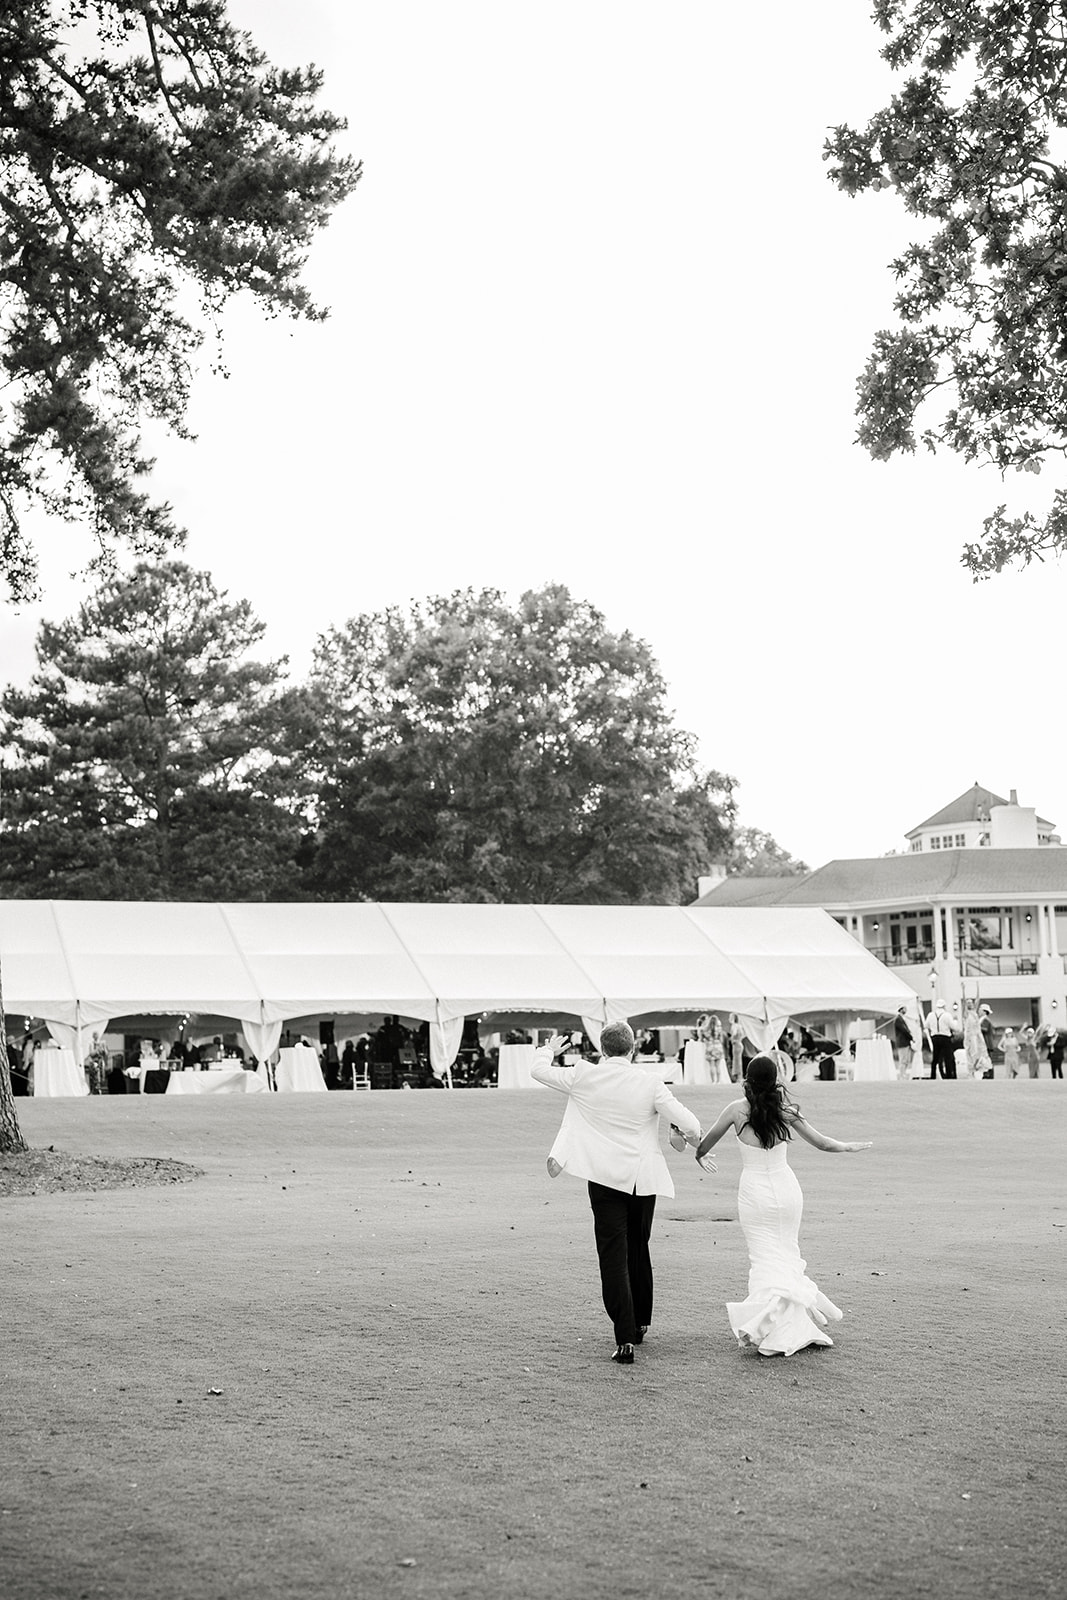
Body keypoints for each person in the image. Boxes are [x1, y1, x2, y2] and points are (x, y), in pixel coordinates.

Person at [532, 1020, 701, 1366]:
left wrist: (548, 1049)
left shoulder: (585, 1075)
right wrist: (677, 1130)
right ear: (633, 1048)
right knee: (638, 1247)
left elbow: (538, 1071)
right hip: (642, 1179)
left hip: (604, 1177)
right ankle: (639, 1322)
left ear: (602, 1049)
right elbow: (691, 1124)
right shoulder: (650, 1082)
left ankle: (625, 1337)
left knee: (613, 1256)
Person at [695, 1054, 872, 1357]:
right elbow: (823, 1143)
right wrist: (848, 1146)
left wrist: (699, 1154)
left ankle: (772, 1326)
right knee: (787, 1255)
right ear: (775, 1081)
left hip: (754, 1194)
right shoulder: (787, 1111)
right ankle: (789, 1324)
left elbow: (704, 1144)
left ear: (747, 1081)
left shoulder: (735, 1110)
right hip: (787, 1190)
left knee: (764, 1258)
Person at [927, 1000, 957, 1079]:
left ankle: (933, 1075)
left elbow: (926, 1025)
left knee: (935, 1057)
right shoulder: (947, 1015)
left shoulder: (931, 1015)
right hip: (945, 1037)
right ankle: (949, 1075)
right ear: (944, 1006)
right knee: (948, 1057)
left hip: (935, 1037)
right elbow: (953, 1026)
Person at [963, 1001, 991, 1079]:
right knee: (971, 1054)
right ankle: (972, 1071)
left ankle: (979, 1070)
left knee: (979, 1054)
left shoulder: (976, 1014)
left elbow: (977, 1001)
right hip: (970, 1037)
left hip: (977, 1036)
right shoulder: (967, 1014)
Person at [892, 1007, 915, 1076]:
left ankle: (904, 1073)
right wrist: (911, 1037)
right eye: (904, 1009)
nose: (906, 1010)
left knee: (907, 1060)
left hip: (906, 1042)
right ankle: (902, 1074)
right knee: (903, 1060)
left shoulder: (902, 1018)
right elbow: (904, 1030)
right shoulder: (898, 1019)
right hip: (902, 1043)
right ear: (901, 1009)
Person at [728, 1014, 744, 1082]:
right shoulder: (740, 1026)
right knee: (739, 1061)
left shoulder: (734, 1026)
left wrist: (731, 1038)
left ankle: (738, 1077)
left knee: (736, 1061)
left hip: (736, 1044)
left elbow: (734, 1033)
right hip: (740, 1044)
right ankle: (740, 1076)